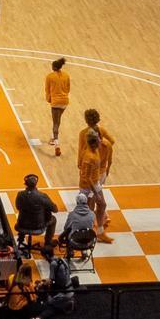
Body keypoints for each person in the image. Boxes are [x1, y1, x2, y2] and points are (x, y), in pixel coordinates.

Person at [77, 109, 114, 242]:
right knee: (89, 207)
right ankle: (88, 232)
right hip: (88, 186)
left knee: (101, 205)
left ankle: (98, 231)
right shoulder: (89, 157)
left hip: (94, 182)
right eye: (99, 139)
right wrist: (95, 191)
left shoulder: (96, 150)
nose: (101, 141)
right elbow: (86, 177)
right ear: (94, 142)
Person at [13, 173, 57, 256]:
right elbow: (55, 210)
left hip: (21, 225)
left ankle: (21, 236)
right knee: (53, 219)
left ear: (25, 183)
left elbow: (18, 207)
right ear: (36, 184)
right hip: (37, 226)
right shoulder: (42, 196)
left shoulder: (20, 195)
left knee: (25, 214)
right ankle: (48, 243)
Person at [44, 57, 71, 147]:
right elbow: (68, 89)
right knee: (58, 120)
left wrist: (49, 99)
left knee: (55, 123)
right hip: (65, 102)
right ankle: (52, 137)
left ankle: (56, 142)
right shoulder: (66, 75)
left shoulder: (50, 76)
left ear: (54, 67)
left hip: (55, 102)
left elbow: (47, 90)